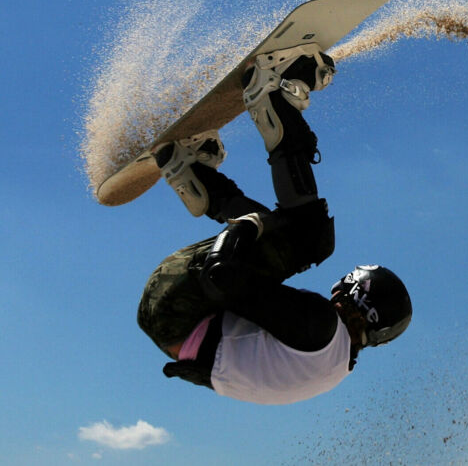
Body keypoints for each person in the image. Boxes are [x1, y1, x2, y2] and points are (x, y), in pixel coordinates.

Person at [138, 45, 412, 405]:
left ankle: (272, 95)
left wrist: (241, 230)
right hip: (175, 329)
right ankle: (190, 173)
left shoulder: (319, 326)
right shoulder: (332, 367)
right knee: (281, 234)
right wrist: (254, 227)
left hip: (179, 305)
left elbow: (221, 277)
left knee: (311, 237)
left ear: (353, 290)